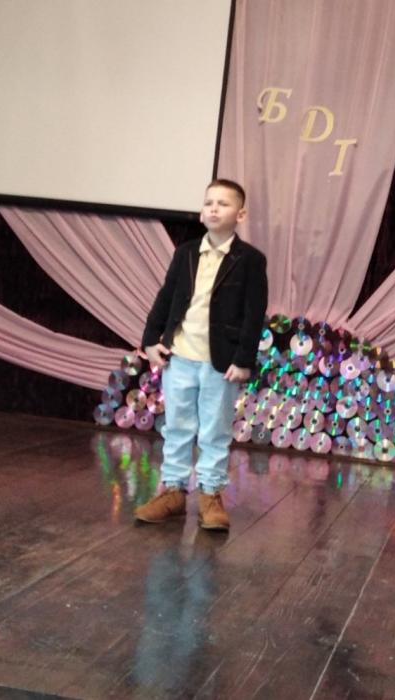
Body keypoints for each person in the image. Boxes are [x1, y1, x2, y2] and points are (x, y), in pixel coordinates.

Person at [135, 179, 267, 530]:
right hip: (180, 355)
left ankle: (210, 493)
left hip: (219, 363)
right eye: (209, 203)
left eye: (223, 203)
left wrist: (243, 359)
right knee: (177, 426)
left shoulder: (250, 260)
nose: (214, 208)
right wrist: (150, 339)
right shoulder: (186, 253)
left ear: (240, 214)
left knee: (214, 429)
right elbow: (166, 297)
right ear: (201, 212)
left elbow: (254, 313)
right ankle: (173, 491)